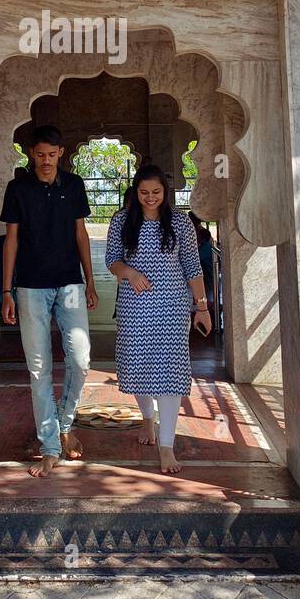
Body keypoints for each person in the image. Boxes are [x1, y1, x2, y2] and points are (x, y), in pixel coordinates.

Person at [0, 126, 98, 477]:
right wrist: (6, 290)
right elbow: (11, 240)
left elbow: (80, 233)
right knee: (39, 368)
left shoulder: (73, 186)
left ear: (61, 153)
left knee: (81, 359)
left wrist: (89, 281)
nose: (45, 161)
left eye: (51, 154)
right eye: (39, 154)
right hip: (29, 287)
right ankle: (50, 445)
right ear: (31, 153)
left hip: (70, 283)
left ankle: (65, 423)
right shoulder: (18, 189)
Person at [106, 165, 211, 475]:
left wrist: (201, 307)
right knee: (136, 365)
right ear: (135, 192)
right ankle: (147, 420)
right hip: (134, 305)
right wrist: (129, 273)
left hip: (172, 306)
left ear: (165, 194)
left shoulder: (180, 223)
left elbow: (193, 267)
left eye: (156, 193)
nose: (150, 198)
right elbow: (111, 259)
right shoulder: (121, 221)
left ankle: (167, 446)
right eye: (143, 193)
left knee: (170, 372)